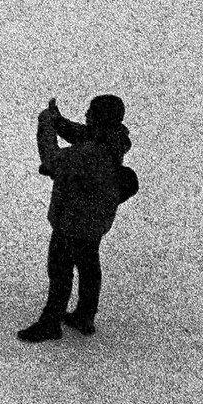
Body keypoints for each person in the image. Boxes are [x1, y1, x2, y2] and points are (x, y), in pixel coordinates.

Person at [17, 96, 130, 342]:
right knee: (88, 265)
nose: (86, 115)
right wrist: (59, 121)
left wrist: (46, 125)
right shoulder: (112, 139)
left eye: (90, 112)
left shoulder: (89, 153)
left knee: (60, 268)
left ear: (99, 119)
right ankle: (85, 315)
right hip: (94, 218)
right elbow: (83, 134)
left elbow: (51, 159)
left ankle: (50, 322)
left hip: (73, 219)